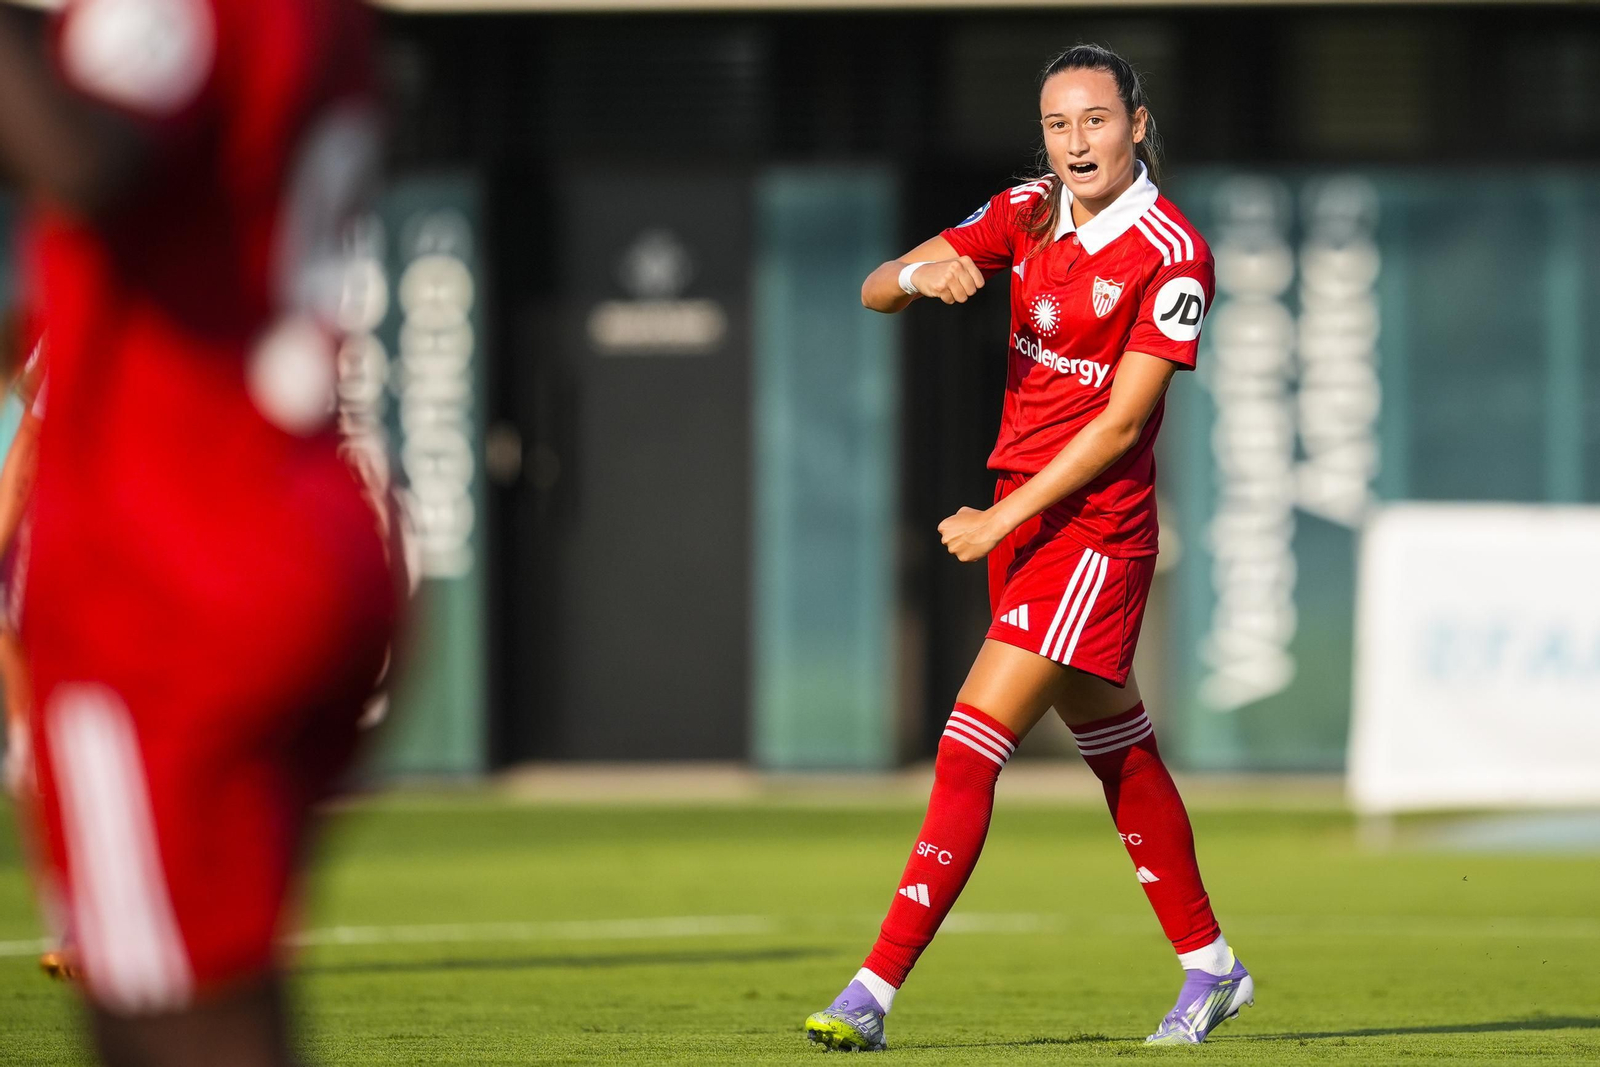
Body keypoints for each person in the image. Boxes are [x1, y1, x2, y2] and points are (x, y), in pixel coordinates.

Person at [804, 44, 1251, 1050]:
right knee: (1117, 747)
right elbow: (876, 286)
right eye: (1057, 124)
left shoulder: (1172, 254)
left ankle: (871, 988)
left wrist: (1003, 518)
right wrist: (926, 271)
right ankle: (1211, 964)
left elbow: (1119, 428)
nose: (1075, 142)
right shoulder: (1027, 210)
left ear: (1136, 123)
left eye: (1094, 119)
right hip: (1025, 518)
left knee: (970, 740)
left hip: (1092, 530)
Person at [0, 2, 398, 1065]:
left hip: (170, 554)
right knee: (198, 982)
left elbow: (87, 162)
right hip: (305, 512)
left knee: (168, 1024)